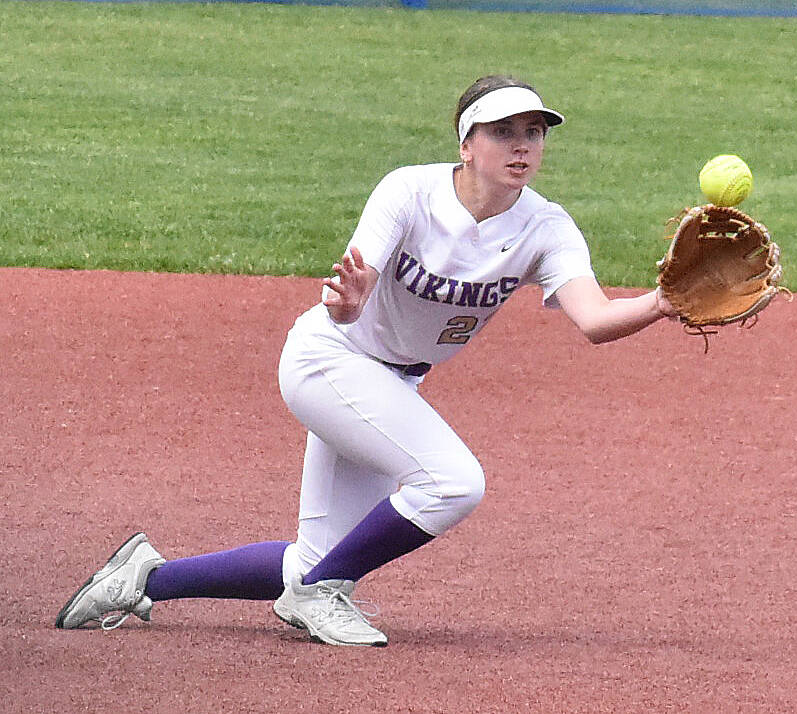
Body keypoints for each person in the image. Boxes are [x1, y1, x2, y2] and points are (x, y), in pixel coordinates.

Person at [55, 75, 677, 646]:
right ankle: (317, 595)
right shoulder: (409, 191)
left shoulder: (547, 227)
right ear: (467, 144)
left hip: (392, 383)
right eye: (504, 131)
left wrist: (662, 301)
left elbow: (594, 320)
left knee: (315, 556)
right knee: (454, 483)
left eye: (534, 132)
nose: (523, 146)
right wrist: (350, 303)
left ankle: (143, 579)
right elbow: (353, 293)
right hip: (329, 358)